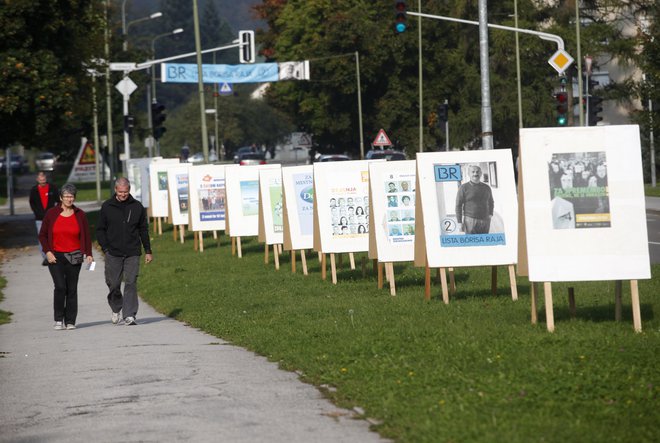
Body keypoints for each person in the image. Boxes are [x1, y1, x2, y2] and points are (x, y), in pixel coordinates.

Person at [97, 178, 153, 326]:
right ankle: (116, 308)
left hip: (132, 252)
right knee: (113, 283)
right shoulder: (107, 206)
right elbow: (100, 229)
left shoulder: (137, 207)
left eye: (126, 192)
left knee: (131, 282)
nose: (123, 194)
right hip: (113, 252)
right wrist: (105, 248)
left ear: (129, 190)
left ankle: (129, 315)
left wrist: (148, 250)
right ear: (115, 190)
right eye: (120, 192)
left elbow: (143, 230)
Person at [38, 183, 94, 330]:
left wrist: (89, 254)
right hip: (55, 255)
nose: (69, 199)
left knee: (72, 288)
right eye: (67, 196)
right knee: (60, 287)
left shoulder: (80, 214)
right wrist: (48, 252)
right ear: (61, 197)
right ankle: (58, 319)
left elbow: (86, 236)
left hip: (75, 254)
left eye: (72, 196)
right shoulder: (51, 213)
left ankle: (70, 321)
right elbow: (42, 235)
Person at [29, 171, 59, 265]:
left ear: (46, 179)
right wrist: (38, 213)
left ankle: (54, 255)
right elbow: (32, 203)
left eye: (44, 179)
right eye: (40, 180)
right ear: (37, 180)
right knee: (42, 237)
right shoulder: (34, 190)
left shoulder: (52, 188)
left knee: (53, 236)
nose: (42, 181)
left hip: (52, 218)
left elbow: (58, 200)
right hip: (39, 218)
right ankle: (45, 257)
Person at [455, 165, 494, 234]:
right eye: (473, 172)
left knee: (484, 240)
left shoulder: (487, 187)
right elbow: (458, 205)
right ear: (469, 174)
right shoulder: (463, 188)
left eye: (477, 172)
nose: (475, 174)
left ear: (481, 173)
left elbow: (491, 201)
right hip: (470, 220)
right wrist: (459, 222)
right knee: (471, 241)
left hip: (485, 219)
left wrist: (490, 213)